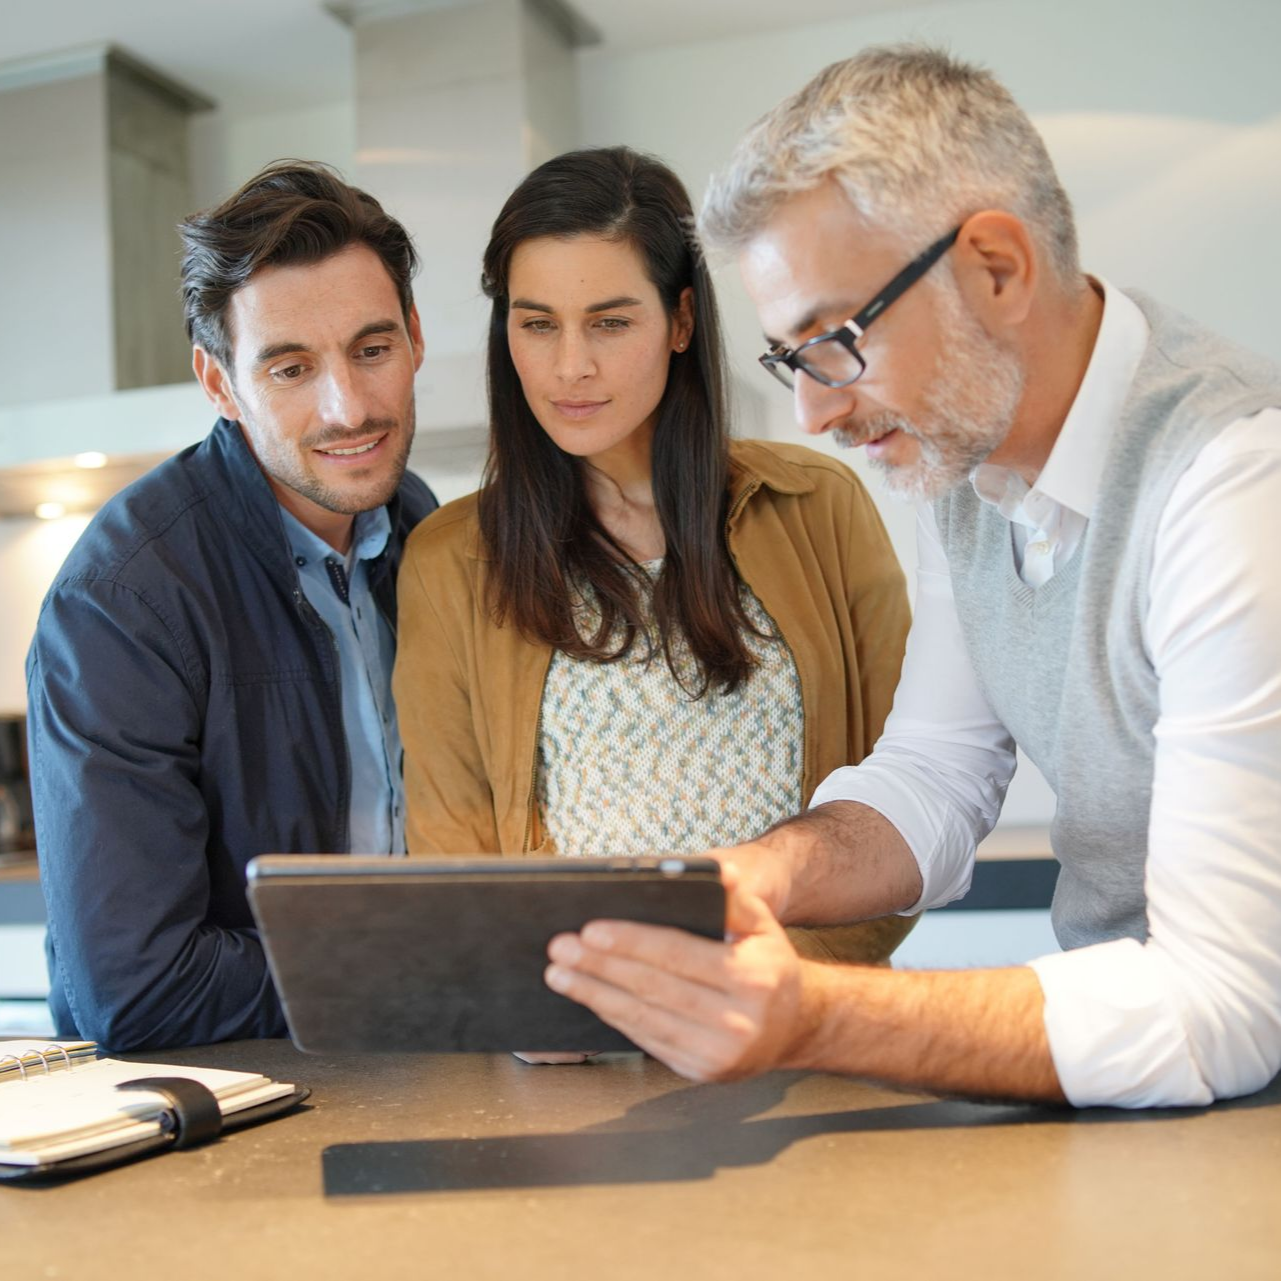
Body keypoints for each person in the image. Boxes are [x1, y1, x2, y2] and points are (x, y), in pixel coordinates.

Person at [543, 47, 1281, 1108]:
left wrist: (809, 1017)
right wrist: (757, 874)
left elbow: (1224, 1005)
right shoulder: (965, 464)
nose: (814, 415)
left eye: (833, 342)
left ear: (995, 267)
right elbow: (933, 773)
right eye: (790, 361)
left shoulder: (1231, 480)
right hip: (1150, 1100)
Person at [393, 146, 916, 1058]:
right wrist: (543, 1008)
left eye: (608, 321)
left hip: (803, 1037)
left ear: (679, 321)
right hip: (569, 1055)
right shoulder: (449, 560)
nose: (569, 366)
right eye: (535, 323)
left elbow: (904, 796)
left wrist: (775, 996)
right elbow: (453, 857)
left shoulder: (816, 507)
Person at [26, 162, 438, 1052]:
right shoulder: (124, 600)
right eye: (290, 367)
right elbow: (136, 989)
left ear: (413, 337)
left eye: (371, 350)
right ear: (219, 384)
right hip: (240, 1113)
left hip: (438, 1064)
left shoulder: (424, 532)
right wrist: (425, 967)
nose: (349, 406)